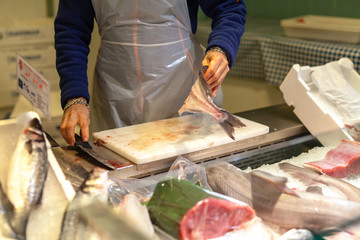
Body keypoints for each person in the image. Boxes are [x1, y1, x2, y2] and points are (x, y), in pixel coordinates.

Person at [55, 0, 247, 146]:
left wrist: (221, 48)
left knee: (190, 184)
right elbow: (71, 31)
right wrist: (75, 97)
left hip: (181, 89)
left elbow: (229, 6)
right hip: (115, 95)